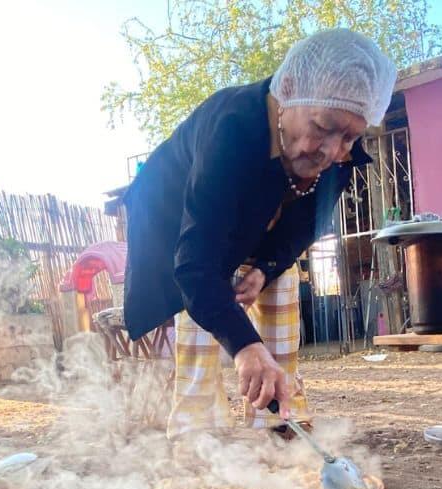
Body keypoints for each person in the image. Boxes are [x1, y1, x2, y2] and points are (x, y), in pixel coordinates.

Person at [122, 29, 397, 438]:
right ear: (287, 92)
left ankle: (280, 430)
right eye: (323, 127)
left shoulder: (336, 153)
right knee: (207, 322)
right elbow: (196, 264)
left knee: (278, 328)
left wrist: (267, 267)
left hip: (260, 232)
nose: (332, 151)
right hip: (182, 224)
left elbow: (307, 224)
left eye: (350, 136)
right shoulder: (229, 129)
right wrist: (245, 348)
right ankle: (198, 439)